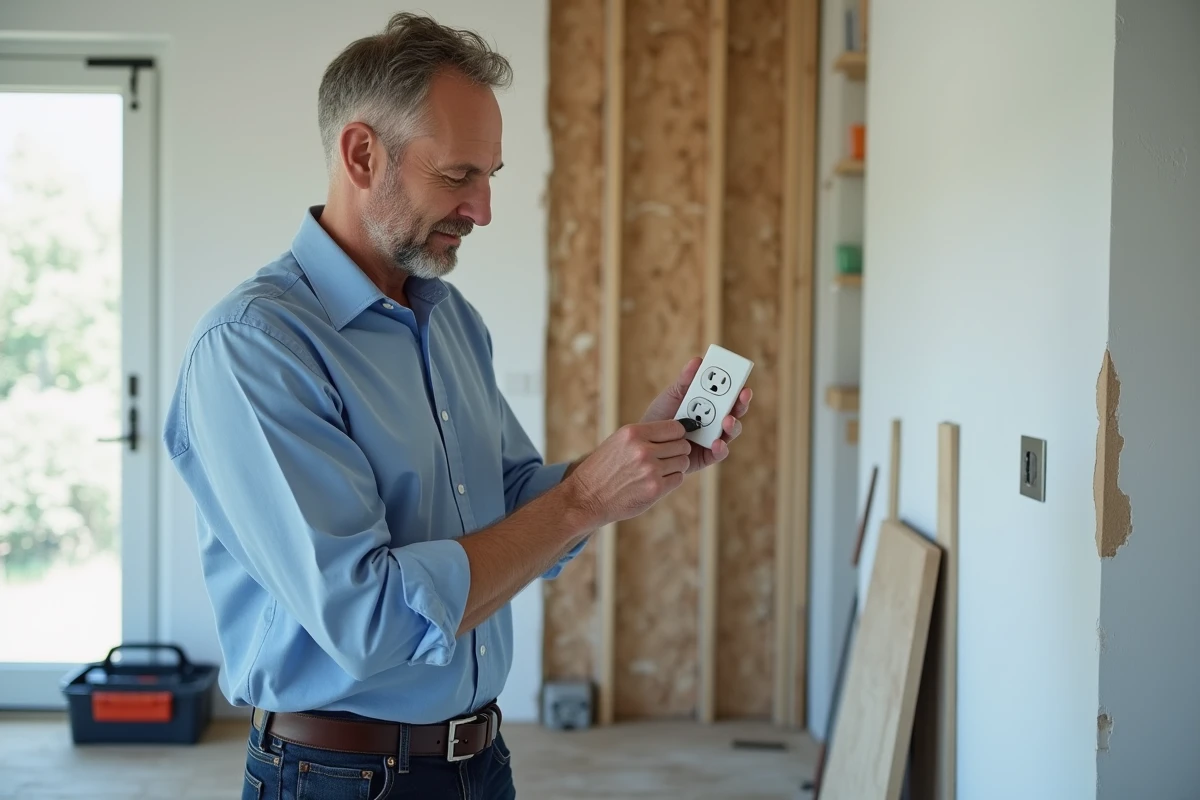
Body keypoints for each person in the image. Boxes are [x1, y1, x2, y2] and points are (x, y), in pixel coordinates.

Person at [163, 11, 751, 800]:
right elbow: (368, 619)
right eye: (457, 176)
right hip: (337, 778)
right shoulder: (254, 347)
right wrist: (581, 501)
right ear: (362, 153)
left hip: (479, 761)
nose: (482, 209)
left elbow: (507, 507)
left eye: (490, 177)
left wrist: (627, 465)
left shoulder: (451, 321)